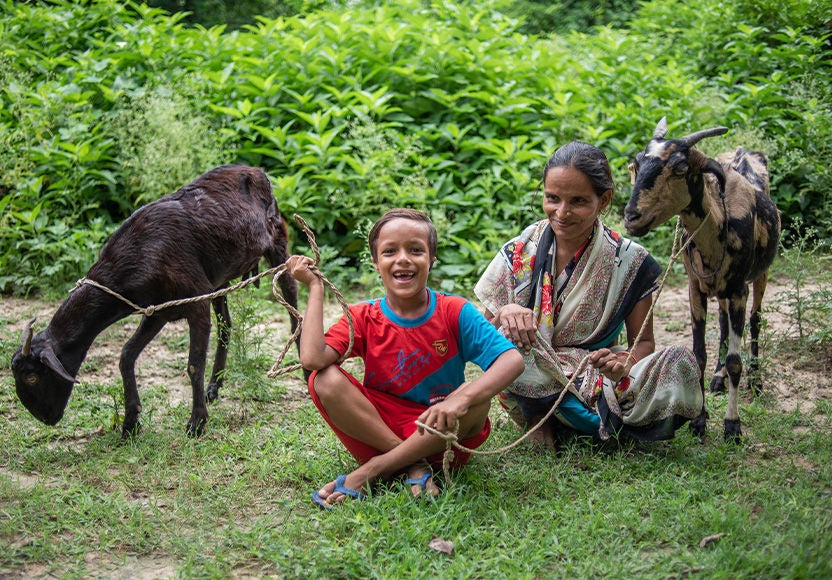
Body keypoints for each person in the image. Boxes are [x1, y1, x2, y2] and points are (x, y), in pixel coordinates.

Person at [286, 208, 524, 508]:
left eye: (415, 250)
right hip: (378, 430)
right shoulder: (362, 317)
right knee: (324, 378)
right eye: (389, 251)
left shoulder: (454, 311)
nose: (403, 259)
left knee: (478, 397)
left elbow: (512, 360)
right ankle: (412, 464)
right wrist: (315, 287)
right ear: (375, 262)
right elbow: (312, 358)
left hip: (443, 429)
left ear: (431, 258)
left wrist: (460, 400)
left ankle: (376, 468)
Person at [474, 141, 703, 449]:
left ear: (604, 200)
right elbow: (483, 336)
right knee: (511, 352)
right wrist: (506, 313)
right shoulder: (520, 250)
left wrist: (623, 362)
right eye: (552, 198)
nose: (562, 212)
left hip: (596, 377)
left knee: (680, 362)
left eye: (578, 201)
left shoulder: (629, 261)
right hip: (531, 372)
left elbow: (643, 342)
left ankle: (570, 419)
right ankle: (541, 419)